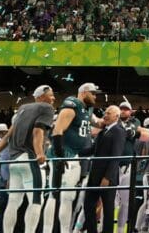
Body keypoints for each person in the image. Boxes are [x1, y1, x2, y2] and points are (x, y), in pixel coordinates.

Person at [0, 85, 56, 233]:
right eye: (51, 95)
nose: (54, 98)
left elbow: (7, 136)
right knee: (36, 200)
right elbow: (38, 131)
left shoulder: (22, 109)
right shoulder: (46, 108)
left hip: (14, 161)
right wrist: (40, 153)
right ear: (41, 96)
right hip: (29, 159)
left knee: (13, 202)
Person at [46, 83, 101, 233]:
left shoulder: (86, 110)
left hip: (74, 157)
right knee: (55, 196)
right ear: (83, 93)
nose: (95, 97)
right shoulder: (72, 105)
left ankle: (64, 230)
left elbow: (99, 123)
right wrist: (60, 157)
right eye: (93, 93)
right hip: (65, 155)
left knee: (68, 197)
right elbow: (58, 131)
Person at [83, 105, 126, 233]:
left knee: (108, 209)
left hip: (107, 178)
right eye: (105, 113)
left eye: (108, 113)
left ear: (116, 117)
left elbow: (116, 156)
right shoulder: (103, 131)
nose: (105, 115)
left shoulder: (119, 131)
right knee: (88, 205)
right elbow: (92, 150)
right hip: (94, 176)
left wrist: (107, 177)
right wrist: (75, 152)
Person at [116, 100, 142, 233]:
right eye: (121, 109)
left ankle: (121, 230)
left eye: (126, 109)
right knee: (107, 202)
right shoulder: (113, 120)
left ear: (131, 112)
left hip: (126, 166)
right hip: (112, 166)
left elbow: (135, 132)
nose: (123, 111)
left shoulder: (135, 122)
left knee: (125, 202)